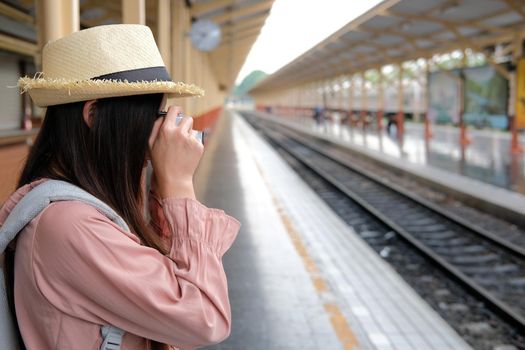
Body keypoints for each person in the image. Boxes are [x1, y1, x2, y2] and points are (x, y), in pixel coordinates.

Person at [1, 24, 240, 350]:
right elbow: (205, 319)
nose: (159, 129)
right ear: (94, 114)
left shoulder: (78, 204)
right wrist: (179, 185)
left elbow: (167, 280)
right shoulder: (70, 224)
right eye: (154, 113)